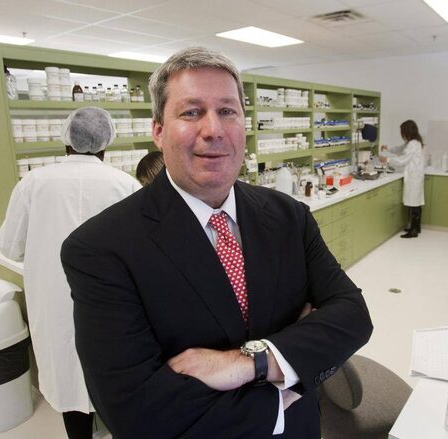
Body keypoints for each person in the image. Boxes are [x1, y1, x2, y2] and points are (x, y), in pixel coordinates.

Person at [60, 47, 373, 438]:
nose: (214, 129)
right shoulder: (101, 248)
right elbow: (135, 411)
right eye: (191, 112)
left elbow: (353, 315)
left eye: (227, 111)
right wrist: (283, 387)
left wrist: (251, 363)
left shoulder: (289, 217)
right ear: (158, 131)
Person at [0, 107, 141, 439]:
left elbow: (9, 246)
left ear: (66, 140)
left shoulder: (33, 183)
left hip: (53, 303)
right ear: (106, 142)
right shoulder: (126, 185)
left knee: (65, 376)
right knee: (111, 375)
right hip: (111, 304)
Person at [381, 120, 425, 238]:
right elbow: (400, 149)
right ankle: (416, 227)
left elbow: (403, 160)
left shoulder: (413, 144)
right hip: (415, 177)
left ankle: (413, 231)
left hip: (414, 178)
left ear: (407, 131)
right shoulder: (413, 142)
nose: (402, 134)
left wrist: (387, 160)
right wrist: (388, 149)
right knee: (415, 203)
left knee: (414, 204)